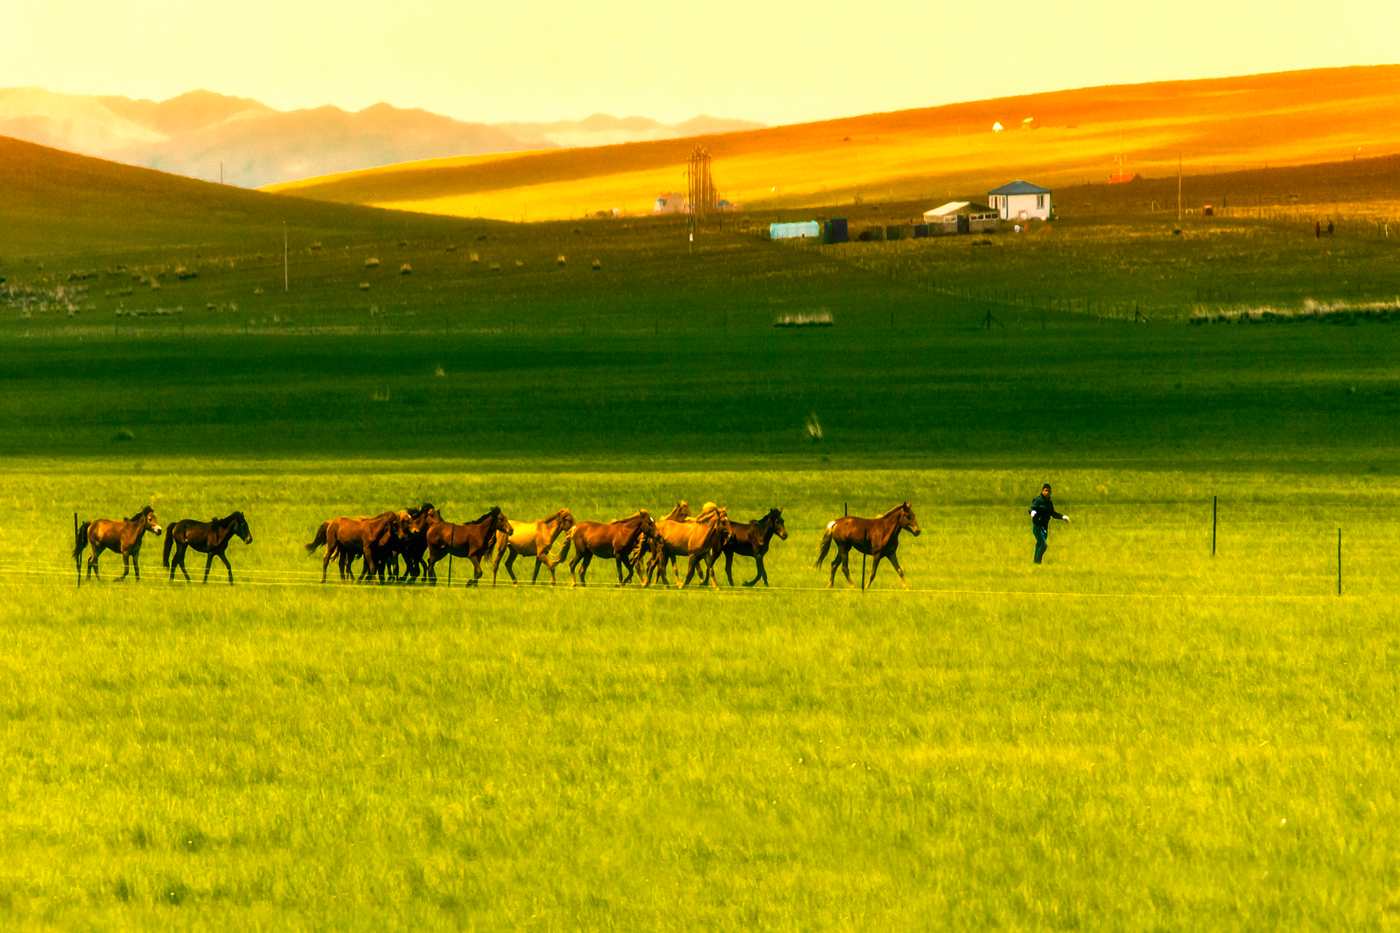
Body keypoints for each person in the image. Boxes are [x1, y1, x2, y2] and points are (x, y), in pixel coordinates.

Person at [1029, 483, 1069, 564]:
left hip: (1044, 527)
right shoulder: (1038, 500)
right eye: (1046, 490)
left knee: (1039, 545)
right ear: (1042, 491)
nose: (1047, 492)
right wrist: (1032, 512)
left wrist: (1062, 517)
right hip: (1038, 526)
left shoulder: (1049, 502)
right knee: (1043, 545)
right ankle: (1037, 562)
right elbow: (1032, 508)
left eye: (1049, 491)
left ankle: (1035, 563)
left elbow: (1053, 513)